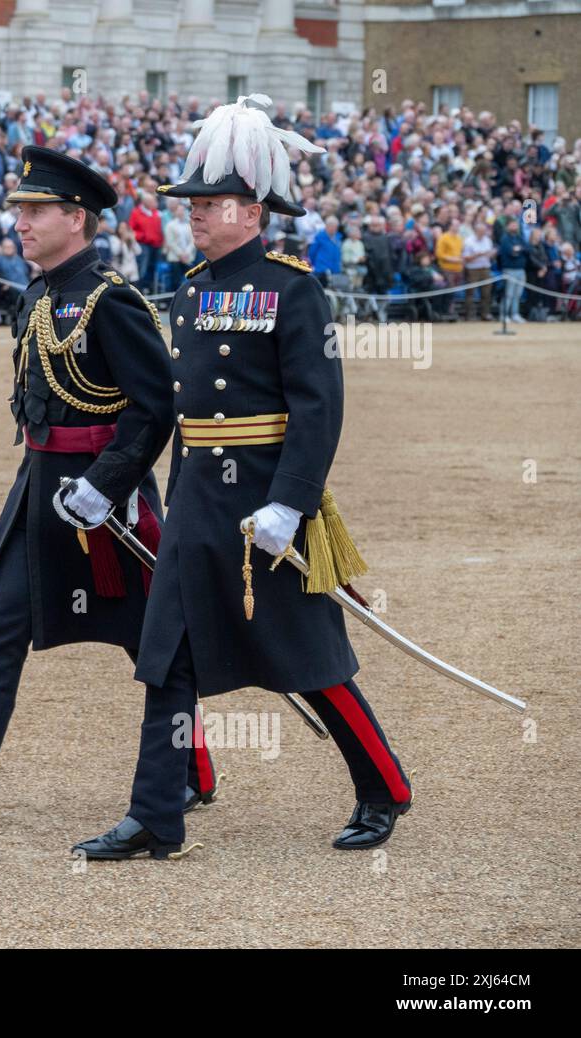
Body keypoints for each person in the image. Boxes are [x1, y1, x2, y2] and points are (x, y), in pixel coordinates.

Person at [75, 94, 411, 862]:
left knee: (310, 661)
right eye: (191, 200)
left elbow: (318, 410)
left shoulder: (295, 289)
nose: (193, 212)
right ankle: (157, 814)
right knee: (167, 657)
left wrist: (290, 506)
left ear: (254, 211)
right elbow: (175, 407)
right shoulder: (190, 289)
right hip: (198, 502)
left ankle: (384, 785)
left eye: (211, 201)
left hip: (264, 502)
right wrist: (116, 478)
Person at [0, 147, 218, 825]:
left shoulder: (110, 301)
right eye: (20, 211)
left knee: (149, 638)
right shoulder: (38, 293)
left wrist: (107, 485)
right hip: (39, 488)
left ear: (76, 218)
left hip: (103, 501)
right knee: (2, 625)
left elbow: (154, 408)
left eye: (35, 211)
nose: (21, 223)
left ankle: (190, 766)